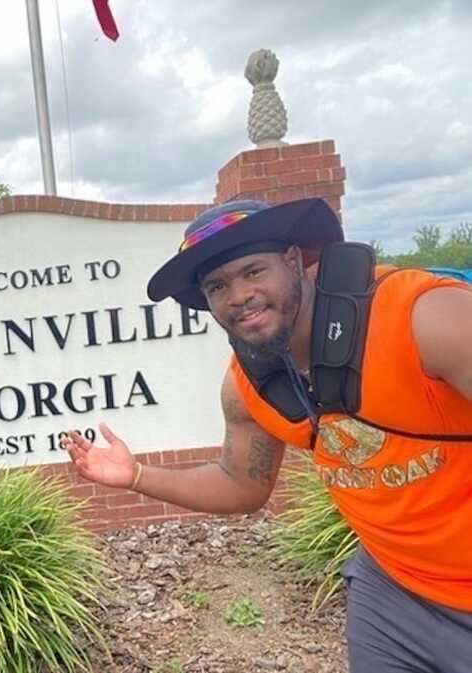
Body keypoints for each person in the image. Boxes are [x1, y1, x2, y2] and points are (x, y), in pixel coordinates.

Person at [63, 198, 472, 673]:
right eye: (218, 285)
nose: (238, 295)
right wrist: (135, 474)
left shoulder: (422, 317)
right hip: (393, 592)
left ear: (295, 261)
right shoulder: (248, 384)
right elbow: (242, 485)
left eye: (253, 271)